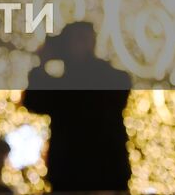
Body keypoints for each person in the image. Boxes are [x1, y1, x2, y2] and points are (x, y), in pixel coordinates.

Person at [23, 22, 132, 193]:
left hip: (91, 175)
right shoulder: (107, 78)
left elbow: (38, 101)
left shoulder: (100, 80)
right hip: (86, 176)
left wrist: (41, 68)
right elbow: (35, 102)